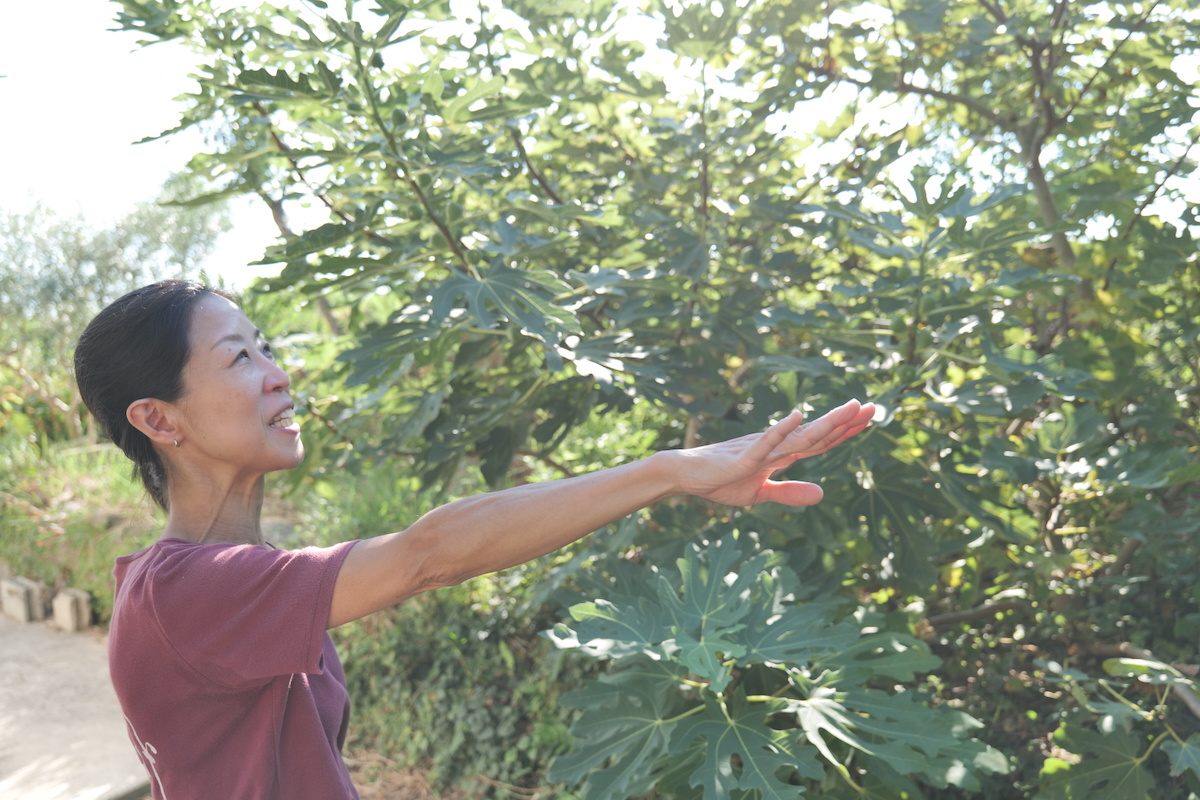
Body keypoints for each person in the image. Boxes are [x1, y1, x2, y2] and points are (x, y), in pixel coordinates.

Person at [74, 279, 876, 800]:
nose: (278, 373)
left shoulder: (222, 585)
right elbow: (431, 555)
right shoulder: (185, 594)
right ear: (159, 418)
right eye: (238, 357)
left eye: (268, 347)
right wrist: (670, 470)